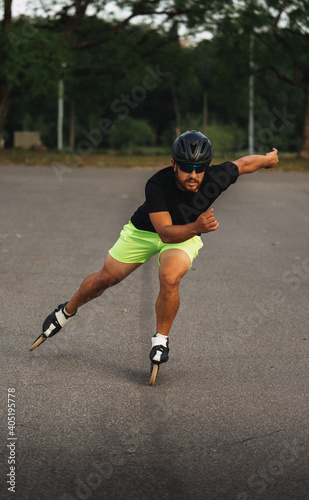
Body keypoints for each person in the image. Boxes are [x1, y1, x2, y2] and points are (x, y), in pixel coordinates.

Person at [30, 130, 279, 368]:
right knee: (104, 279)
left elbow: (245, 163)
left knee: (169, 278)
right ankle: (65, 311)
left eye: (200, 168)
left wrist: (268, 160)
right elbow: (165, 233)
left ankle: (161, 340)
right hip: (147, 232)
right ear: (174, 164)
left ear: (207, 166)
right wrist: (197, 226)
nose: (193, 175)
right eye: (186, 168)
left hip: (186, 234)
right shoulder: (157, 184)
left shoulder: (215, 177)